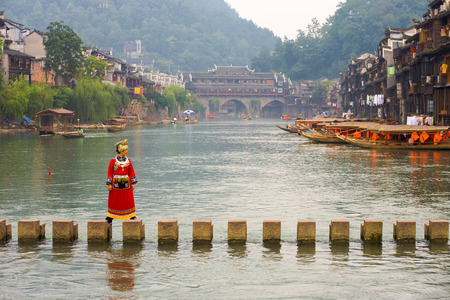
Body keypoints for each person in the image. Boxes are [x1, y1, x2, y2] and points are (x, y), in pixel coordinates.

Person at [106, 139, 138, 224]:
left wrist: (133, 183)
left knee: (128, 199)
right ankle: (110, 216)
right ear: (121, 150)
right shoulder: (113, 161)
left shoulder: (128, 161)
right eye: (125, 150)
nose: (127, 151)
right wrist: (109, 184)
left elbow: (131, 172)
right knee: (114, 199)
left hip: (126, 183)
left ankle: (132, 215)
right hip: (115, 183)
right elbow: (110, 172)